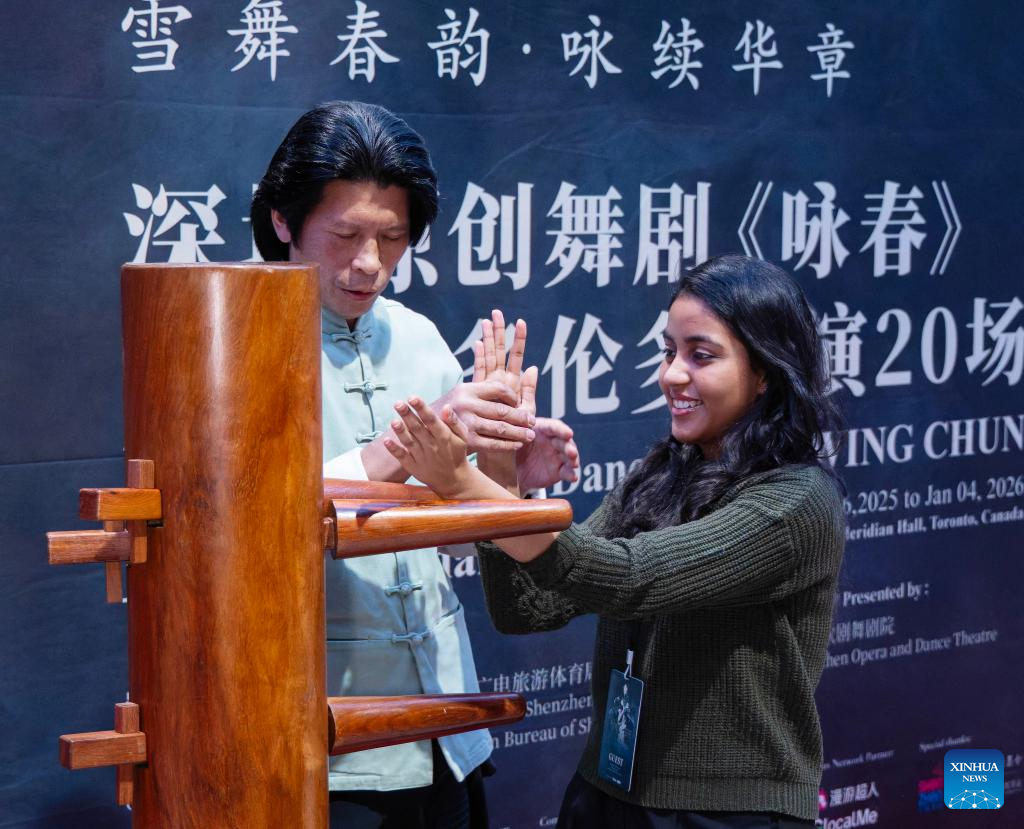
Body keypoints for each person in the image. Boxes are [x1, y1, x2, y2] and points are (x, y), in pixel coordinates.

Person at [382, 255, 846, 828]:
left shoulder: (796, 501)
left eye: (701, 356)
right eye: (669, 351)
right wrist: (501, 474)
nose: (673, 374)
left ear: (766, 372)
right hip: (606, 792)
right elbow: (527, 608)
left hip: (727, 813)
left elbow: (627, 577)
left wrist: (462, 481)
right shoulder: (662, 473)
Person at [250, 100, 579, 829]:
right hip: (319, 735)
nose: (370, 262)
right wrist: (419, 438)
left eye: (393, 238)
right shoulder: (234, 332)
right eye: (345, 235)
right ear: (282, 220)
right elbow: (252, 523)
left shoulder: (421, 338)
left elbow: (458, 542)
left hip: (445, 724)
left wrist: (509, 468)